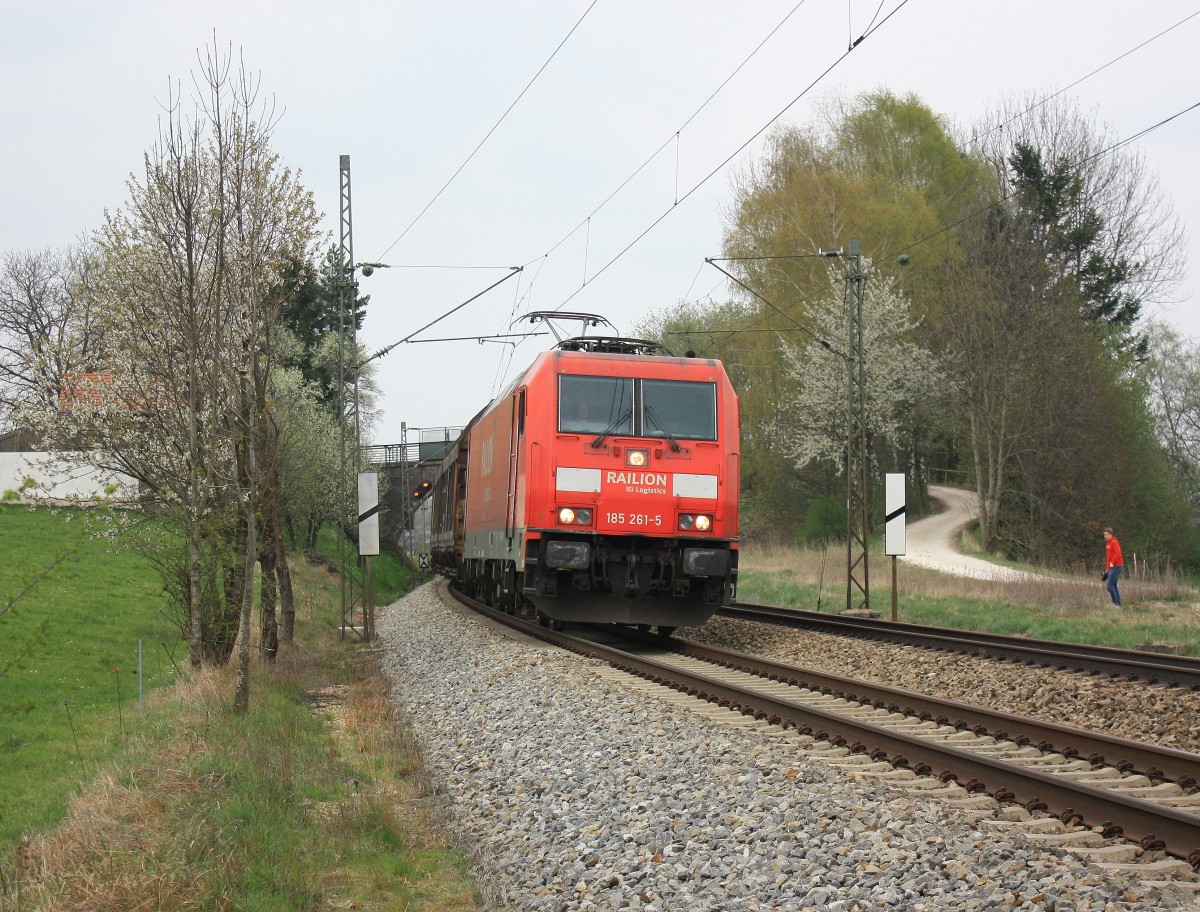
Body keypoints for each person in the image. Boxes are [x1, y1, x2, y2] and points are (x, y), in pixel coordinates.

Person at [1103, 527, 1124, 606]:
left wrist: (1112, 563)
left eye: (1107, 534)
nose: (1106, 536)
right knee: (1113, 584)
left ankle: (1115, 603)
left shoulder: (1114, 542)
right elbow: (1109, 557)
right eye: (1105, 535)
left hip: (1117, 566)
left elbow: (1118, 554)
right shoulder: (1108, 544)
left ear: (1111, 535)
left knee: (1109, 585)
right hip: (1112, 567)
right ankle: (1118, 602)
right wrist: (1107, 568)